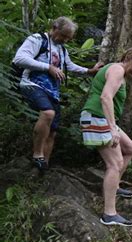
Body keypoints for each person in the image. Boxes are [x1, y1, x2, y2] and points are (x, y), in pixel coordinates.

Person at [12, 16, 102, 170]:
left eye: (68, 38)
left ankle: (43, 166)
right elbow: (19, 58)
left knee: (53, 131)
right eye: (63, 36)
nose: (65, 40)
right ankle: (37, 155)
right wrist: (48, 68)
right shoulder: (37, 40)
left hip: (53, 91)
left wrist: (89, 71)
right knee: (47, 113)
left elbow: (70, 66)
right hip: (32, 84)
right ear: (54, 28)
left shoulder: (61, 49)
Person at [80, 47, 132, 227]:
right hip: (97, 116)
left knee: (130, 149)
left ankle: (114, 187)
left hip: (101, 118)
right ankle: (109, 214)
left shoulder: (118, 71)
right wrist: (112, 128)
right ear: (128, 58)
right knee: (115, 164)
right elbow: (105, 97)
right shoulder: (117, 69)